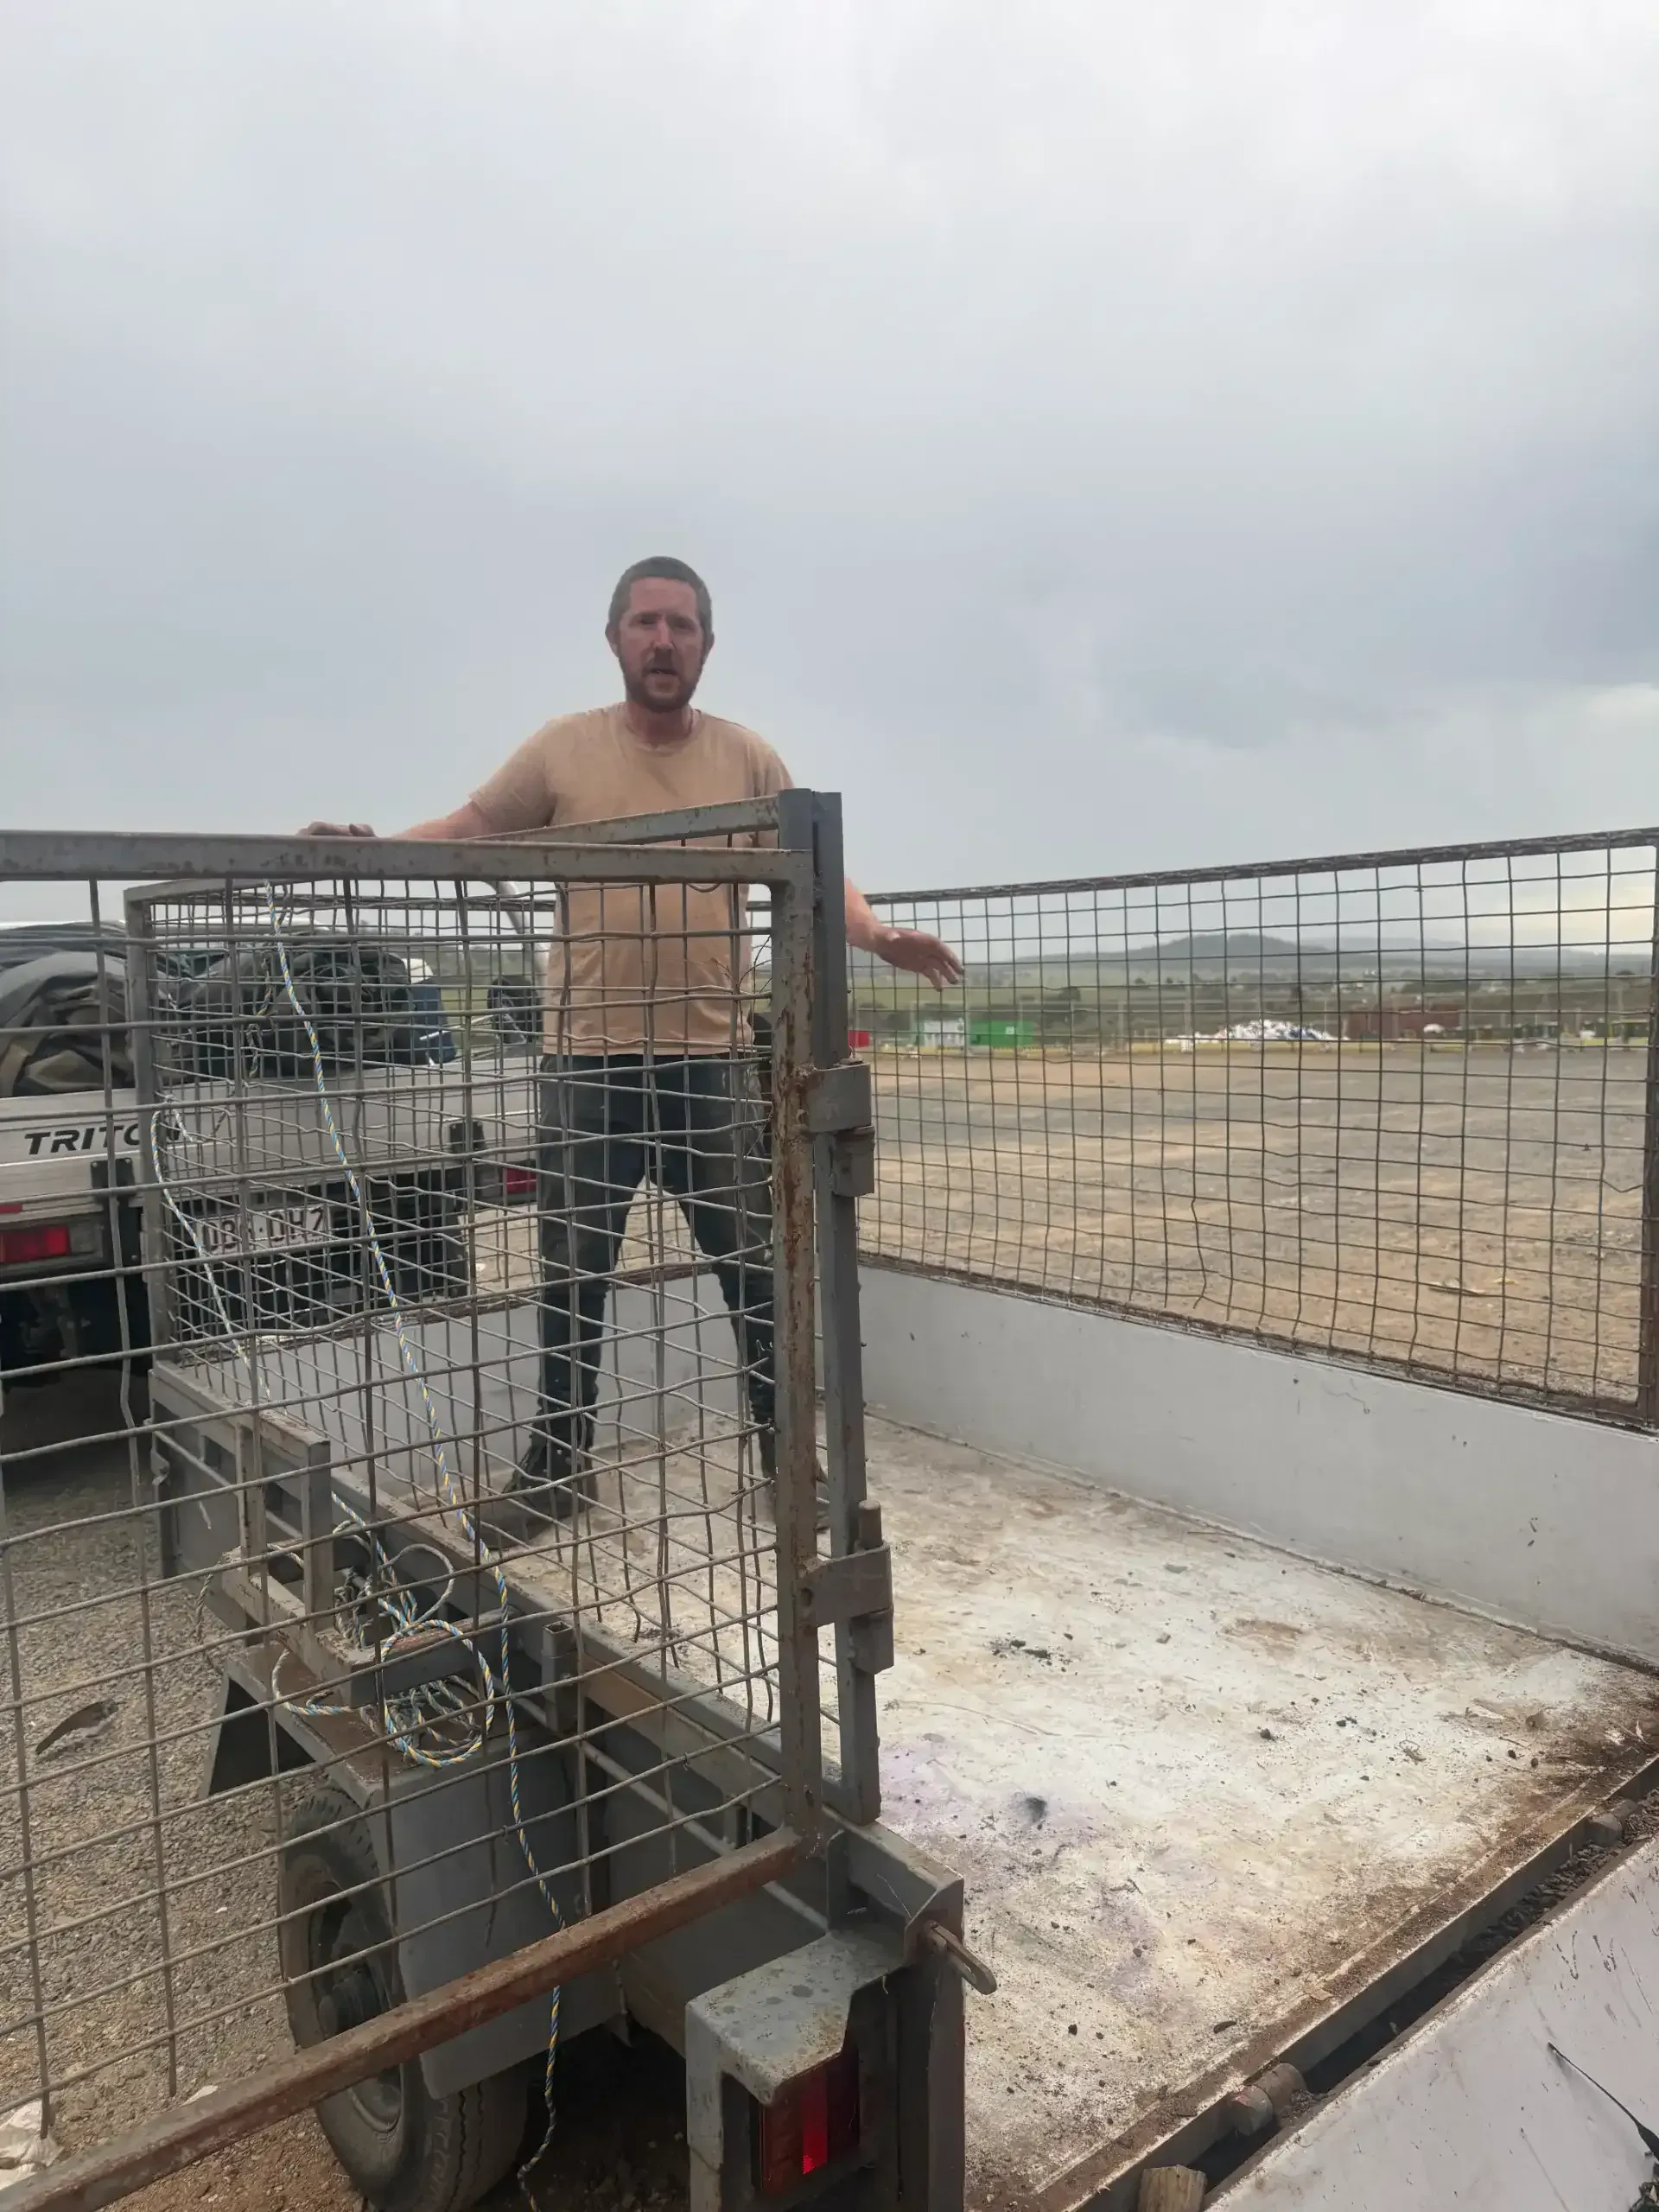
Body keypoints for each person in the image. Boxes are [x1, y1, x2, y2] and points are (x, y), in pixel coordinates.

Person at [305, 555, 961, 1533]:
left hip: (708, 1069)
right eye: (647, 623)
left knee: (757, 1276)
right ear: (614, 637)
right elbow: (471, 828)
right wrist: (371, 856)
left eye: (683, 625)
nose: (664, 641)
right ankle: (556, 1471)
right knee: (572, 1281)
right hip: (587, 1065)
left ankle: (788, 1465)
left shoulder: (747, 757)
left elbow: (820, 862)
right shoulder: (564, 750)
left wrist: (875, 933)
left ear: (706, 643)